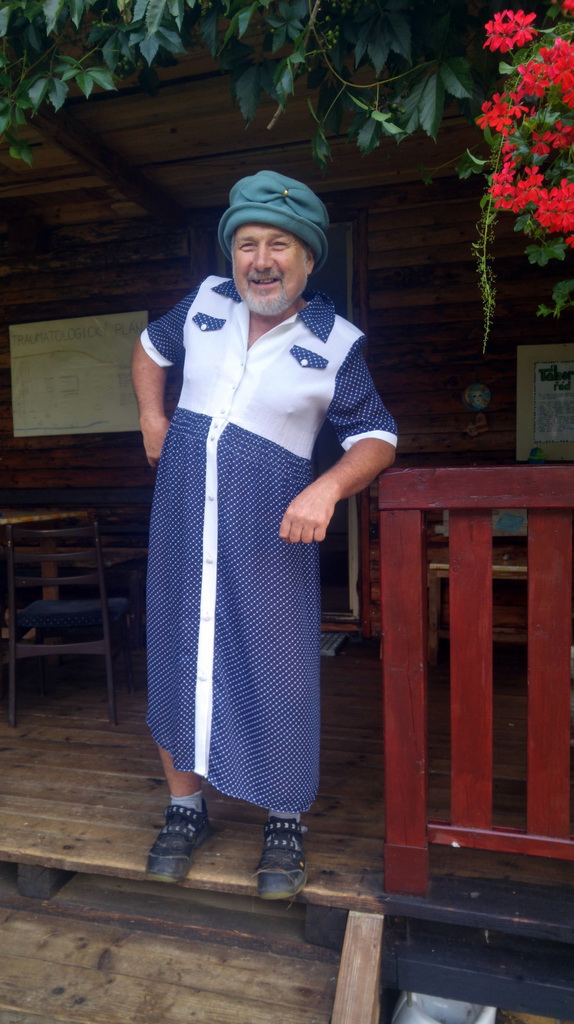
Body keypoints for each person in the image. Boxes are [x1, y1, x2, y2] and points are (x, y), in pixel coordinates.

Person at [132, 170, 398, 900]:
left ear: (308, 258)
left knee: (278, 669)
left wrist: (326, 487)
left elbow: (377, 436)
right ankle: (185, 810)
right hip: (184, 521)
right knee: (179, 655)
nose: (260, 260)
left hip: (268, 536)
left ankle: (284, 818)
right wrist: (152, 417)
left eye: (279, 244)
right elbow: (150, 349)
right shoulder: (204, 304)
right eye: (247, 244)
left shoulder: (335, 343)